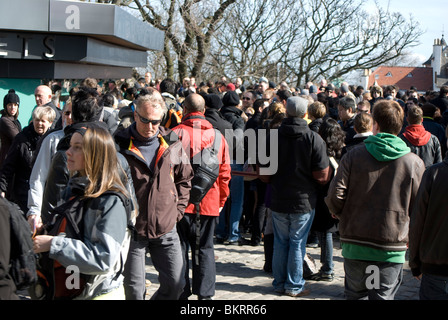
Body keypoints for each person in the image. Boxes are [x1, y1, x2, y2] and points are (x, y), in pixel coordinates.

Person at [325, 100, 425, 300]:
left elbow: (336, 195)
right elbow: (420, 210)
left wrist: (337, 211)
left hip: (356, 242)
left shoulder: (353, 156)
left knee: (355, 295)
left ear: (375, 124)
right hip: (391, 244)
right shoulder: (414, 163)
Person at [33, 125, 134, 300]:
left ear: (95, 154)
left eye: (77, 147)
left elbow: (104, 258)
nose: (68, 152)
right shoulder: (75, 189)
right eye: (70, 146)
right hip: (74, 290)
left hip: (101, 294)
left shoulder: (111, 200)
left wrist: (53, 244)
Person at [114, 89, 193, 300]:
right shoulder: (118, 144)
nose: (150, 127)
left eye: (156, 122)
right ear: (135, 114)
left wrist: (177, 211)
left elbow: (184, 179)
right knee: (134, 292)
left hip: (166, 227)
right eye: (145, 120)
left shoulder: (172, 142)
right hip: (132, 232)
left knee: (177, 285)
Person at [261, 96, 330, 297]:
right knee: (296, 242)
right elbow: (323, 176)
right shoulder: (313, 138)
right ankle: (293, 285)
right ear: (305, 114)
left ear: (286, 112)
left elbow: (264, 175)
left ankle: (280, 283)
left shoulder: (272, 137)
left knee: (281, 242)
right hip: (303, 200)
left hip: (279, 198)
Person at [173, 93, 231, 300]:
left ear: (184, 110)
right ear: (204, 111)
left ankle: (180, 292)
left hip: (178, 204)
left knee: (178, 248)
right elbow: (225, 174)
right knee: (205, 248)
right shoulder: (217, 137)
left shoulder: (174, 134)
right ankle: (205, 296)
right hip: (208, 202)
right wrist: (221, 201)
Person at [409, 125, 448, 300]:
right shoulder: (432, 173)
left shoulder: (434, 173)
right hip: (435, 267)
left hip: (436, 265)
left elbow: (418, 221)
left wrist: (415, 262)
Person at [308, 118, 345, 282]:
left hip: (325, 198)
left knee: (326, 234)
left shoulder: (326, 154)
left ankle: (327, 268)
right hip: (332, 197)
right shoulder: (340, 151)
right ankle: (326, 267)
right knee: (325, 234)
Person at [26, 101, 73, 229]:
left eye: (72, 114)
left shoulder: (90, 139)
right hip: (52, 212)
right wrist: (35, 211)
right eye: (66, 113)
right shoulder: (52, 139)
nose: (69, 117)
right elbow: (38, 177)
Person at [0, 106, 55, 213]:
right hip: (23, 193)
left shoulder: (53, 139)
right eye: (37, 120)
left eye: (43, 121)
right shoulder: (21, 139)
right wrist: (2, 188)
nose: (39, 124)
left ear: (50, 123)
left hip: (46, 194)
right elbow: (9, 166)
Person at [216, 91, 247, 245]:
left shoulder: (218, 117)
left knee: (221, 198)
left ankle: (220, 231)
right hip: (235, 162)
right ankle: (233, 234)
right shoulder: (238, 120)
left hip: (218, 162)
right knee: (236, 200)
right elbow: (237, 139)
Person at [0, 89, 22, 168]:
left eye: (15, 105)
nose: (13, 108)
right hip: (7, 159)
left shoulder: (15, 120)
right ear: (5, 106)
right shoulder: (4, 120)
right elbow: (18, 137)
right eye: (10, 105)